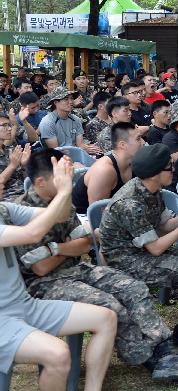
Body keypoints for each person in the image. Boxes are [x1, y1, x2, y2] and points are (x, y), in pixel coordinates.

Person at [17, 149, 178, 383]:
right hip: (43, 284)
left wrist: (55, 248)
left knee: (133, 288)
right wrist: (67, 247)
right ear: (40, 182)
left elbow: (86, 242)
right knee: (109, 304)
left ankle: (163, 351)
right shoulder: (21, 213)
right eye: (61, 175)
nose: (69, 180)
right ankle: (148, 355)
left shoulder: (62, 203)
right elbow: (41, 268)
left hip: (76, 270)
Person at [98, 144, 178, 366]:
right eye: (170, 167)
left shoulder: (151, 189)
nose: (174, 170)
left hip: (143, 251)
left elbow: (164, 225)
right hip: (126, 260)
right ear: (156, 172)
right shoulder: (130, 202)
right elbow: (156, 248)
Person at [0, 154, 118, 391]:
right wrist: (64, 191)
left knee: (106, 318)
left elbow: (60, 215)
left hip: (23, 305)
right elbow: (32, 234)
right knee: (58, 353)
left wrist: (65, 184)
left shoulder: (3, 209)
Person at [73, 123, 142, 215]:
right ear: (123, 145)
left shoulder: (134, 162)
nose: (143, 142)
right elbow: (96, 213)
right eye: (138, 139)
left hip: (116, 213)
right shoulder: (104, 170)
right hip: (84, 218)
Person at [38, 88, 101, 155]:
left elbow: (80, 144)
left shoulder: (76, 119)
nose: (71, 102)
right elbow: (56, 152)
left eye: (71, 98)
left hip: (77, 154)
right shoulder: (47, 122)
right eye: (66, 99)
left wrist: (90, 149)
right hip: (60, 159)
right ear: (56, 102)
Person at [0, 120, 30, 201]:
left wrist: (24, 164)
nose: (10, 128)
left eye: (9, 125)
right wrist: (12, 166)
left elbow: (24, 178)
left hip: (24, 190)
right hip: (8, 197)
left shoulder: (10, 150)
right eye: (4, 125)